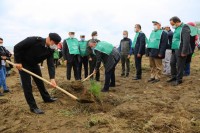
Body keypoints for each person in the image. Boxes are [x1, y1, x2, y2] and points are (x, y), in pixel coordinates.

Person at [14, 33, 61, 114]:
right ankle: (33, 107)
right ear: (49, 39)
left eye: (57, 44)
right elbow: (17, 47)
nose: (55, 45)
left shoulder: (50, 49)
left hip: (35, 64)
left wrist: (52, 78)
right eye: (55, 43)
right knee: (27, 85)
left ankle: (46, 98)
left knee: (40, 82)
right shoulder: (33, 40)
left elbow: (50, 64)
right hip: (24, 64)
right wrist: (18, 62)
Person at [167, 16, 192, 86]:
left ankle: (179, 79)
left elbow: (186, 41)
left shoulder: (184, 27)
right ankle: (174, 76)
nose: (172, 26)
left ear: (177, 22)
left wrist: (184, 52)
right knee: (172, 63)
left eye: (173, 24)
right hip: (175, 49)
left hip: (181, 50)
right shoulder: (177, 28)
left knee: (180, 65)